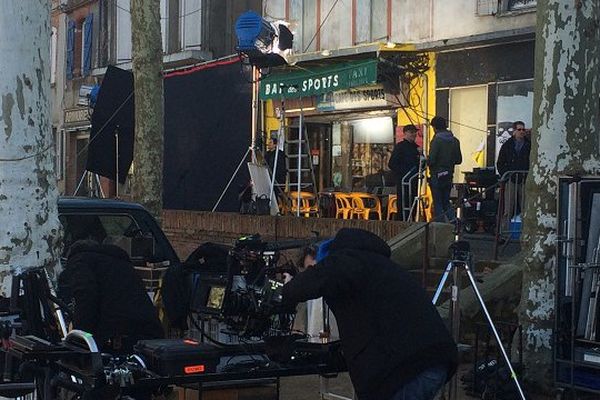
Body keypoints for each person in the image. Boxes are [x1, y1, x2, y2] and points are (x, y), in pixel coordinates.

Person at [282, 228, 457, 400]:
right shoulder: (374, 263)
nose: (313, 272)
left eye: (312, 268)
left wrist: (288, 286)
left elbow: (306, 285)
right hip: (432, 357)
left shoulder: (343, 261)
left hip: (405, 368)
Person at [58, 239, 164, 353]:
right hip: (149, 330)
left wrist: (79, 339)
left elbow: (85, 298)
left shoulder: (79, 260)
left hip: (119, 336)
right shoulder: (117, 261)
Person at [428, 116, 462, 222]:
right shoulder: (455, 141)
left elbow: (432, 160)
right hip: (449, 175)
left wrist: (426, 160)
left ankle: (441, 226)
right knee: (446, 201)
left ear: (435, 127)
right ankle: (453, 221)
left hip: (436, 175)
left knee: (438, 202)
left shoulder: (436, 141)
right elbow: (459, 160)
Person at [496, 121, 531, 218]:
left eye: (523, 129)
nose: (522, 132)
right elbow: (500, 163)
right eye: (519, 129)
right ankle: (505, 231)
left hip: (524, 180)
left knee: (526, 208)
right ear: (514, 131)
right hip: (511, 180)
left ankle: (525, 231)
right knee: (508, 209)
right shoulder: (507, 145)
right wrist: (506, 176)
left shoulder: (529, 145)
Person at [388, 125, 421, 220]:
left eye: (415, 132)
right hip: (403, 181)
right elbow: (392, 164)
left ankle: (412, 220)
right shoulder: (400, 147)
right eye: (411, 132)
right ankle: (402, 222)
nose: (414, 134)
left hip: (414, 181)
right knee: (403, 204)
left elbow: (421, 164)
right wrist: (404, 172)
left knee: (413, 204)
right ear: (405, 133)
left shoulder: (417, 148)